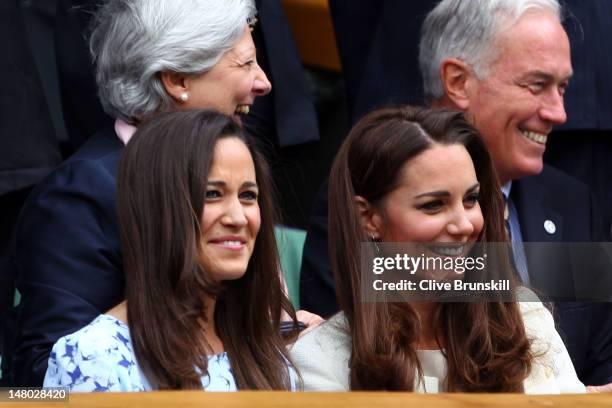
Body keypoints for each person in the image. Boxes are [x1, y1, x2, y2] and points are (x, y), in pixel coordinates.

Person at [299, 0, 612, 386]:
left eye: (563, 87)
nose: (559, 112)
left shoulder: (573, 203)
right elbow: (358, 341)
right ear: (458, 81)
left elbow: (601, 355)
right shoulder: (358, 194)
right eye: (537, 85)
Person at [4, 0, 273, 386]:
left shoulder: (239, 170)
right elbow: (42, 382)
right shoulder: (81, 195)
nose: (264, 82)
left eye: (247, 197)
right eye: (245, 64)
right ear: (177, 80)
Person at [290, 106, 584, 393]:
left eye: (471, 200)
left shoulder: (524, 318)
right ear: (368, 218)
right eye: (433, 205)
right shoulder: (319, 362)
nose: (464, 224)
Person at [43, 110, 297, 391]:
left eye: (248, 195)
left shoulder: (267, 352)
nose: (238, 218)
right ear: (159, 209)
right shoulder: (93, 357)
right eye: (212, 194)